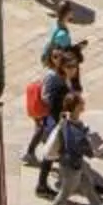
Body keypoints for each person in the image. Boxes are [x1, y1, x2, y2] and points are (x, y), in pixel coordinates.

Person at [44, 93, 103, 205]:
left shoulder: (65, 118)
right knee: (63, 195)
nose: (84, 104)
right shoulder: (76, 132)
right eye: (81, 102)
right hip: (72, 167)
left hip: (68, 163)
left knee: (87, 185)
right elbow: (90, 152)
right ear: (76, 107)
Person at [29, 51, 79, 192]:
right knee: (52, 153)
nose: (73, 69)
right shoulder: (56, 81)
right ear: (62, 67)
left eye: (75, 66)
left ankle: (43, 185)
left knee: (53, 153)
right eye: (69, 66)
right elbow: (50, 101)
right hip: (55, 121)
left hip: (59, 121)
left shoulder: (65, 79)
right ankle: (43, 185)